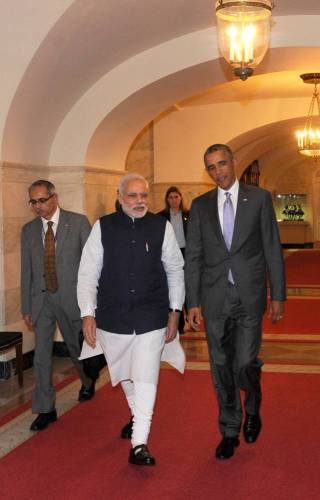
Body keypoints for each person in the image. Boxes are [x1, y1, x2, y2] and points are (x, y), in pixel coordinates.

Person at [185, 144, 286, 460]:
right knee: (220, 367)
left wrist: (278, 294)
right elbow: (195, 257)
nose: (218, 172)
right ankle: (230, 429)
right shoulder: (200, 206)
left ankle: (252, 403)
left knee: (243, 362)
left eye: (222, 164)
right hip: (215, 298)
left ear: (234, 162)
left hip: (250, 295)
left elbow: (272, 247)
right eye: (211, 168)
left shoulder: (258, 199)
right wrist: (193, 302)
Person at [77, 173, 185, 466]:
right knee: (125, 373)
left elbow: (176, 269)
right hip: (113, 317)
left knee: (146, 374)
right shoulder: (103, 227)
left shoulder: (161, 226)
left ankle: (139, 443)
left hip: (152, 314)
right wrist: (88, 312)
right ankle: (139, 421)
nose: (140, 202)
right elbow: (88, 273)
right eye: (133, 196)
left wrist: (175, 310)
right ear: (120, 197)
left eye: (144, 196)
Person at [21, 180, 95, 432]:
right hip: (42, 301)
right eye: (33, 202)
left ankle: (87, 380)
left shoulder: (78, 222)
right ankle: (45, 408)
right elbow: (26, 271)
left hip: (72, 298)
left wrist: (91, 304)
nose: (38, 206)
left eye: (42, 200)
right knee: (42, 355)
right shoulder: (29, 230)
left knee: (76, 348)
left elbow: (92, 264)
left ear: (55, 197)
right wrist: (26, 306)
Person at [158, 186, 189, 333]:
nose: (174, 200)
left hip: (186, 253)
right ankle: (179, 322)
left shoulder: (189, 215)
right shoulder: (161, 217)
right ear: (167, 200)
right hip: (169, 255)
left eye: (176, 197)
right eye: (170, 197)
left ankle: (190, 314)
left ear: (181, 198)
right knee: (174, 286)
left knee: (186, 286)